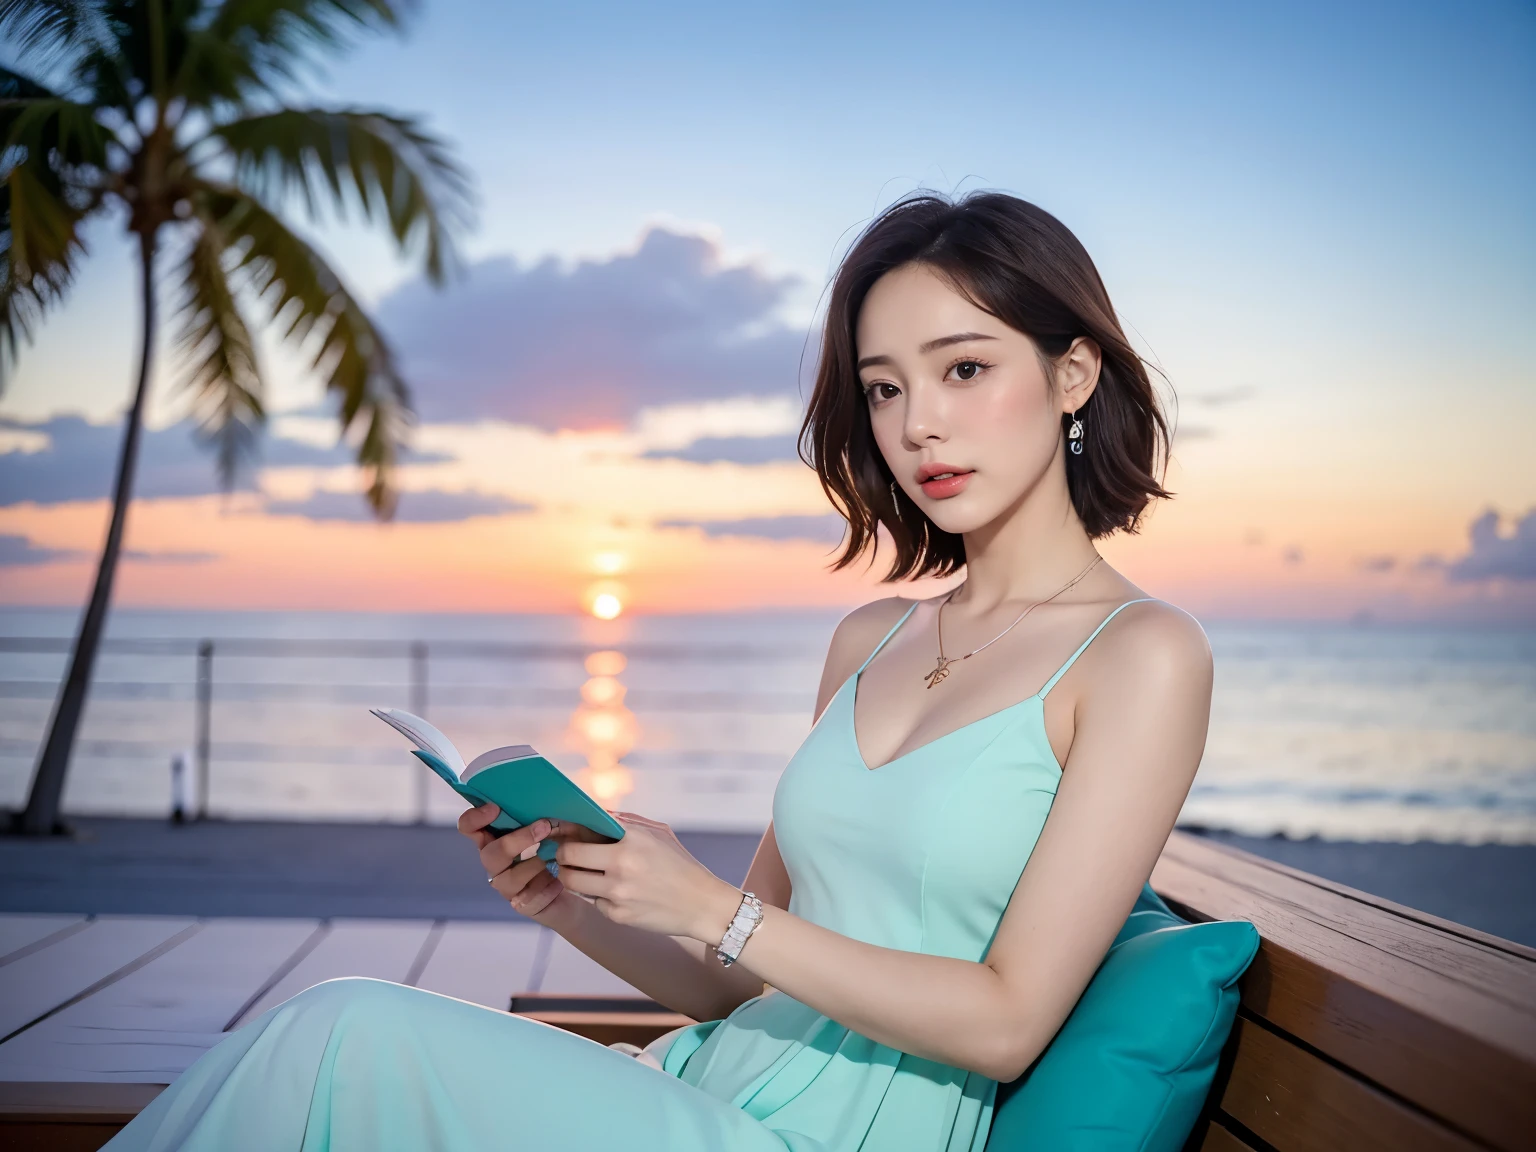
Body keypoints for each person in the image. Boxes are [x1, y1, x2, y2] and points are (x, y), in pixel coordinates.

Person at [105, 191, 1213, 1151]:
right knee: (328, 1053)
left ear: (1074, 373)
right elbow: (744, 981)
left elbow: (1009, 1020)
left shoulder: (1140, 657)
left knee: (340, 1035)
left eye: (964, 368)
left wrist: (714, 906)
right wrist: (587, 908)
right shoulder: (869, 640)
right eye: (882, 388)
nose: (918, 423)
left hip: (833, 1137)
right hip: (705, 1084)